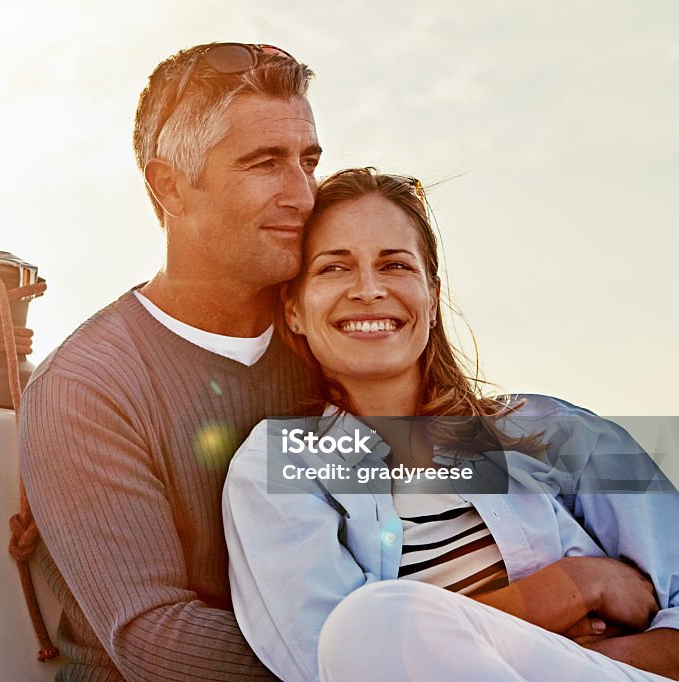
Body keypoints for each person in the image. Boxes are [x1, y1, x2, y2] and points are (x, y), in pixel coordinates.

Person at [223, 168, 679, 681]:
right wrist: (573, 586)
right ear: (294, 311)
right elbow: (337, 662)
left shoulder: (554, 432)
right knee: (363, 624)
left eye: (394, 265)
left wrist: (572, 661)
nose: (368, 290)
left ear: (433, 297)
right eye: (334, 269)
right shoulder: (280, 462)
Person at [19, 42, 323, 680]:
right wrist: (406, 650)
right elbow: (156, 641)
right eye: (265, 163)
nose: (303, 194)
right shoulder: (84, 388)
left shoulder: (327, 346)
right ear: (171, 186)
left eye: (308, 160)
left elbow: (438, 480)